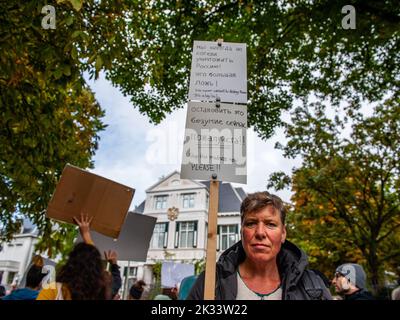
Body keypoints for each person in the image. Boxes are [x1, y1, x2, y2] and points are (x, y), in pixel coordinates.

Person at [188, 192, 332, 300]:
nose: (260, 233)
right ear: (241, 232)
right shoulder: (211, 282)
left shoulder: (313, 287)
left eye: (270, 224)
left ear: (283, 234)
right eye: (251, 223)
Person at [37, 215, 116, 300]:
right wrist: (86, 235)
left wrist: (86, 234)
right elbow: (91, 260)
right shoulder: (101, 295)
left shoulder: (53, 291)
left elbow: (90, 260)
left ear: (70, 265)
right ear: (98, 271)